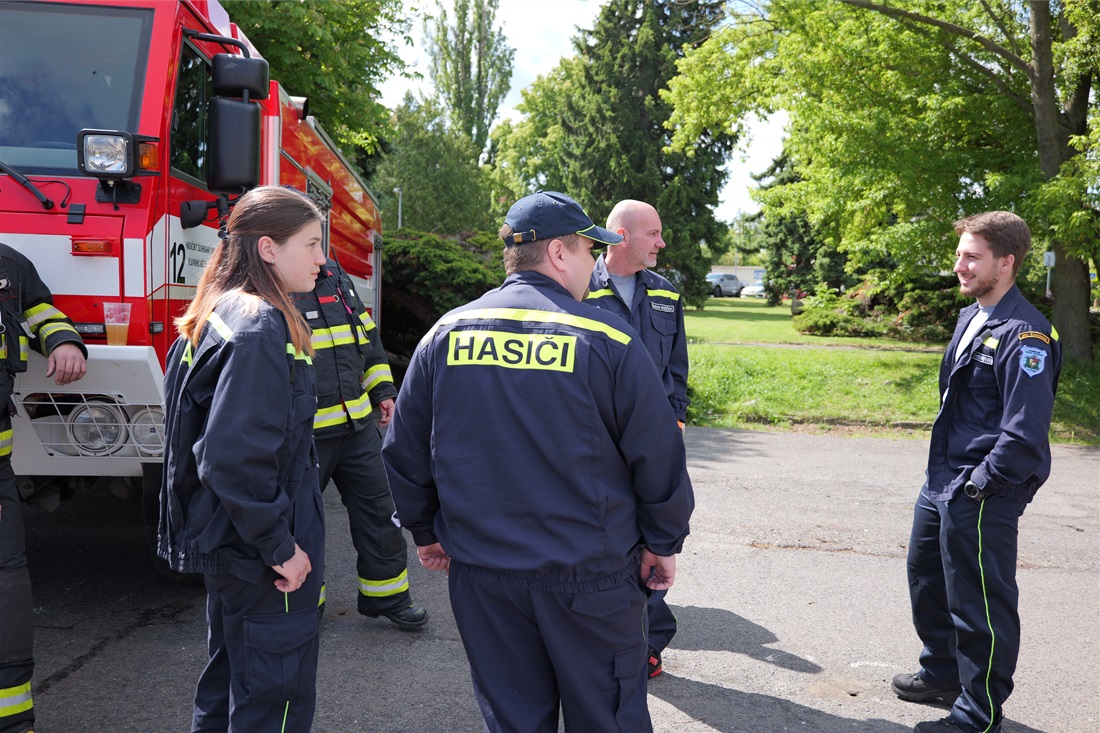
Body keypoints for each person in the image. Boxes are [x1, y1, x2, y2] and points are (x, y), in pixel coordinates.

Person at [381, 190, 695, 733]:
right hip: (590, 578)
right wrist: (662, 542)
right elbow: (658, 454)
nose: (594, 265)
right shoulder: (607, 338)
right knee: (608, 718)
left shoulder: (446, 333)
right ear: (557, 253)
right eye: (588, 251)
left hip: (484, 577)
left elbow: (405, 449)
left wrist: (425, 530)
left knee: (515, 719)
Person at [158, 186, 328, 733]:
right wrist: (281, 548)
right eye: (311, 244)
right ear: (268, 248)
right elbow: (232, 458)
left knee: (228, 688)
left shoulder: (222, 311)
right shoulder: (259, 327)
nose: (322, 259)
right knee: (272, 705)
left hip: (233, 549)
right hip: (261, 561)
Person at [892, 211, 1062, 733]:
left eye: (972, 257)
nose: (959, 266)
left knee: (980, 601)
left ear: (1006, 263)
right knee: (927, 578)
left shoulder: (1027, 335)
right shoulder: (973, 316)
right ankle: (943, 674)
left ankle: (979, 712)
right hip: (944, 478)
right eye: (959, 254)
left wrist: (980, 483)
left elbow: (1024, 432)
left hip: (984, 487)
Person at [293, 254, 427, 630]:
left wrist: (382, 390)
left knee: (380, 513)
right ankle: (303, 605)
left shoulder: (335, 275)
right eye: (310, 243)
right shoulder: (275, 279)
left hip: (356, 427)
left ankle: (387, 597)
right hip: (305, 434)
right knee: (301, 524)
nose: (319, 255)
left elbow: (365, 336)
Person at [586, 199, 687, 679]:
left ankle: (650, 641)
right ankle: (603, 634)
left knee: (657, 532)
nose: (662, 243)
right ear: (622, 236)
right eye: (653, 233)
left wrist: (676, 422)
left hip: (654, 440)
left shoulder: (665, 293)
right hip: (599, 441)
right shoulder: (579, 289)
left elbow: (677, 369)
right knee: (605, 534)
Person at [0, 243, 86, 733]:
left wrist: (64, 341)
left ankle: (13, 722)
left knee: (6, 593)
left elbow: (38, 312)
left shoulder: (7, 264)